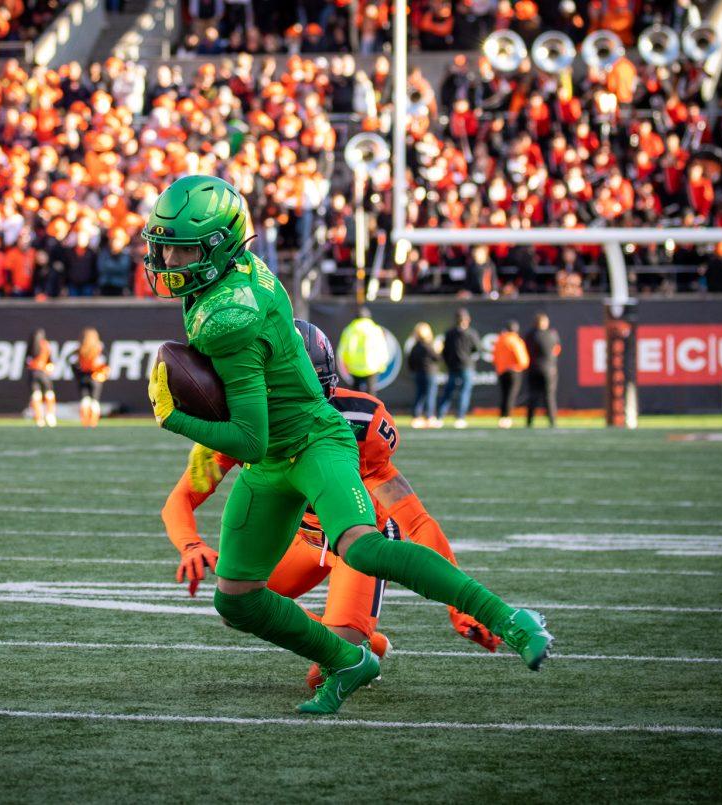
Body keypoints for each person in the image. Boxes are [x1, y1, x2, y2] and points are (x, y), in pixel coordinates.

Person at [142, 175, 552, 715]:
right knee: (234, 599)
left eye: (182, 247)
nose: (168, 257)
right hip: (273, 475)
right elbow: (196, 486)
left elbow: (252, 435)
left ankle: (509, 619)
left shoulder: (247, 338)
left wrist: (172, 416)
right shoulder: (246, 273)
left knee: (362, 545)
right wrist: (191, 544)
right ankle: (350, 661)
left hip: (312, 445)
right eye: (164, 243)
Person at [164, 320, 499, 689]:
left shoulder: (358, 424)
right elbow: (182, 497)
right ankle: (360, 640)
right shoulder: (242, 429)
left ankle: (349, 640)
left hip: (358, 545)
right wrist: (190, 544)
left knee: (326, 672)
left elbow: (415, 521)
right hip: (305, 540)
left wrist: (459, 603)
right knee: (238, 603)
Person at [433, 308, 481, 429]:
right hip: (464, 367)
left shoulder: (451, 333)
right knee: (460, 392)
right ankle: (458, 418)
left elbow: (445, 351)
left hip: (457, 367)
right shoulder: (469, 333)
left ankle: (442, 417)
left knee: (451, 393)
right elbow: (476, 349)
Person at [337, 308, 389, 394]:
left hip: (354, 367)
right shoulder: (375, 329)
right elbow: (382, 348)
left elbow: (342, 350)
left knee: (356, 393)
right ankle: (371, 407)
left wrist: (345, 364)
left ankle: (356, 407)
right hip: (372, 367)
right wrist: (382, 364)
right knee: (371, 393)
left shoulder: (349, 329)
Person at [525, 312, 561, 428]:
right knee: (549, 396)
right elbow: (557, 350)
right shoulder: (552, 334)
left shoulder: (530, 335)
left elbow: (526, 350)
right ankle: (552, 421)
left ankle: (529, 422)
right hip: (549, 369)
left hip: (534, 368)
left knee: (533, 396)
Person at [493, 320, 530, 430]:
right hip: (514, 371)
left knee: (504, 396)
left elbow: (494, 357)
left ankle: (502, 418)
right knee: (511, 395)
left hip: (502, 371)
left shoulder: (500, 339)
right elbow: (522, 359)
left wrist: (500, 367)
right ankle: (507, 418)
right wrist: (522, 365)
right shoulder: (515, 340)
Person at [72, 327, 109, 428]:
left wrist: (77, 373)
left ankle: (85, 422)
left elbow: (70, 360)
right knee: (95, 400)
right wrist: (102, 373)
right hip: (95, 377)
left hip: (83, 377)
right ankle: (93, 422)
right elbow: (106, 361)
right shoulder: (99, 347)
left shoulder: (79, 348)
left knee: (85, 400)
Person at [406, 322, 440, 429]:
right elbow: (437, 358)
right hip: (429, 374)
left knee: (419, 395)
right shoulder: (428, 346)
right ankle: (429, 417)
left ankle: (416, 417)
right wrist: (439, 349)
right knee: (430, 395)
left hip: (418, 374)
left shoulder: (415, 346)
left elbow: (410, 361)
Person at [24, 328, 57, 427]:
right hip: (43, 373)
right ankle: (50, 415)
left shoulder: (31, 345)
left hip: (33, 373)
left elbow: (26, 362)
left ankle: (39, 418)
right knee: (49, 393)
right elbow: (50, 361)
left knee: (36, 395)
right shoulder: (45, 345)